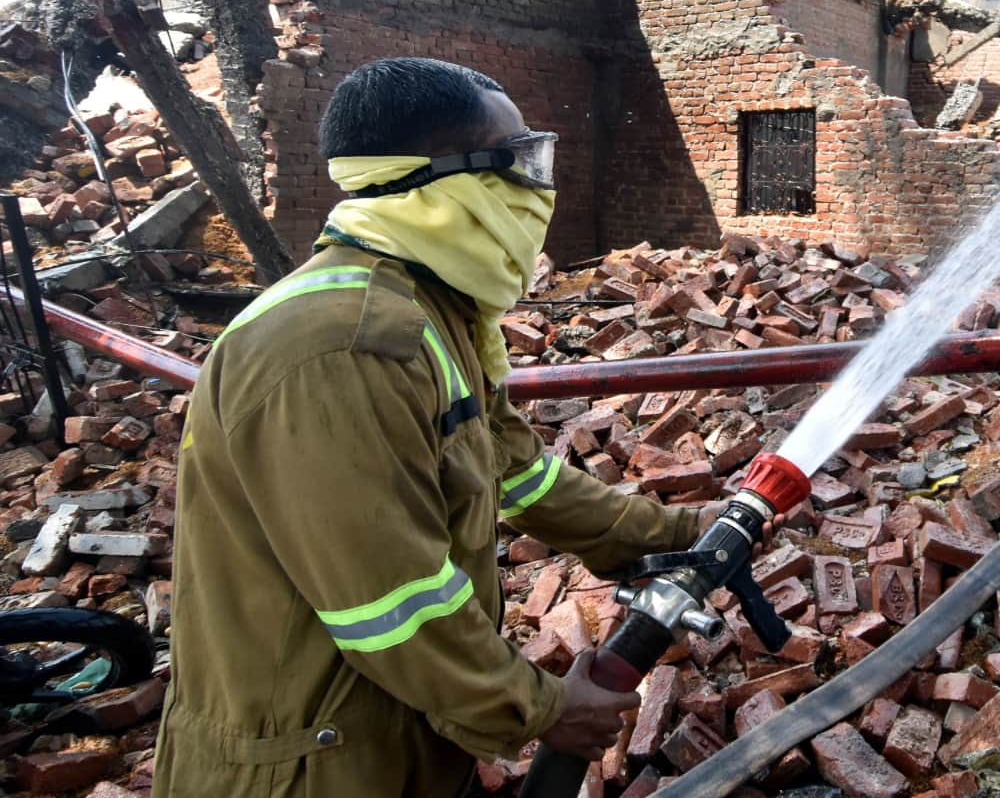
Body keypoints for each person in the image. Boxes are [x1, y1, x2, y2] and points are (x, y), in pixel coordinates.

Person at [153, 58, 700, 796]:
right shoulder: (342, 345)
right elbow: (389, 600)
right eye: (517, 162)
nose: (537, 189)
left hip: (379, 737)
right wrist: (540, 710)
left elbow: (517, 473)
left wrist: (673, 535)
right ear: (449, 182)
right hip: (306, 768)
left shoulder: (427, 312)